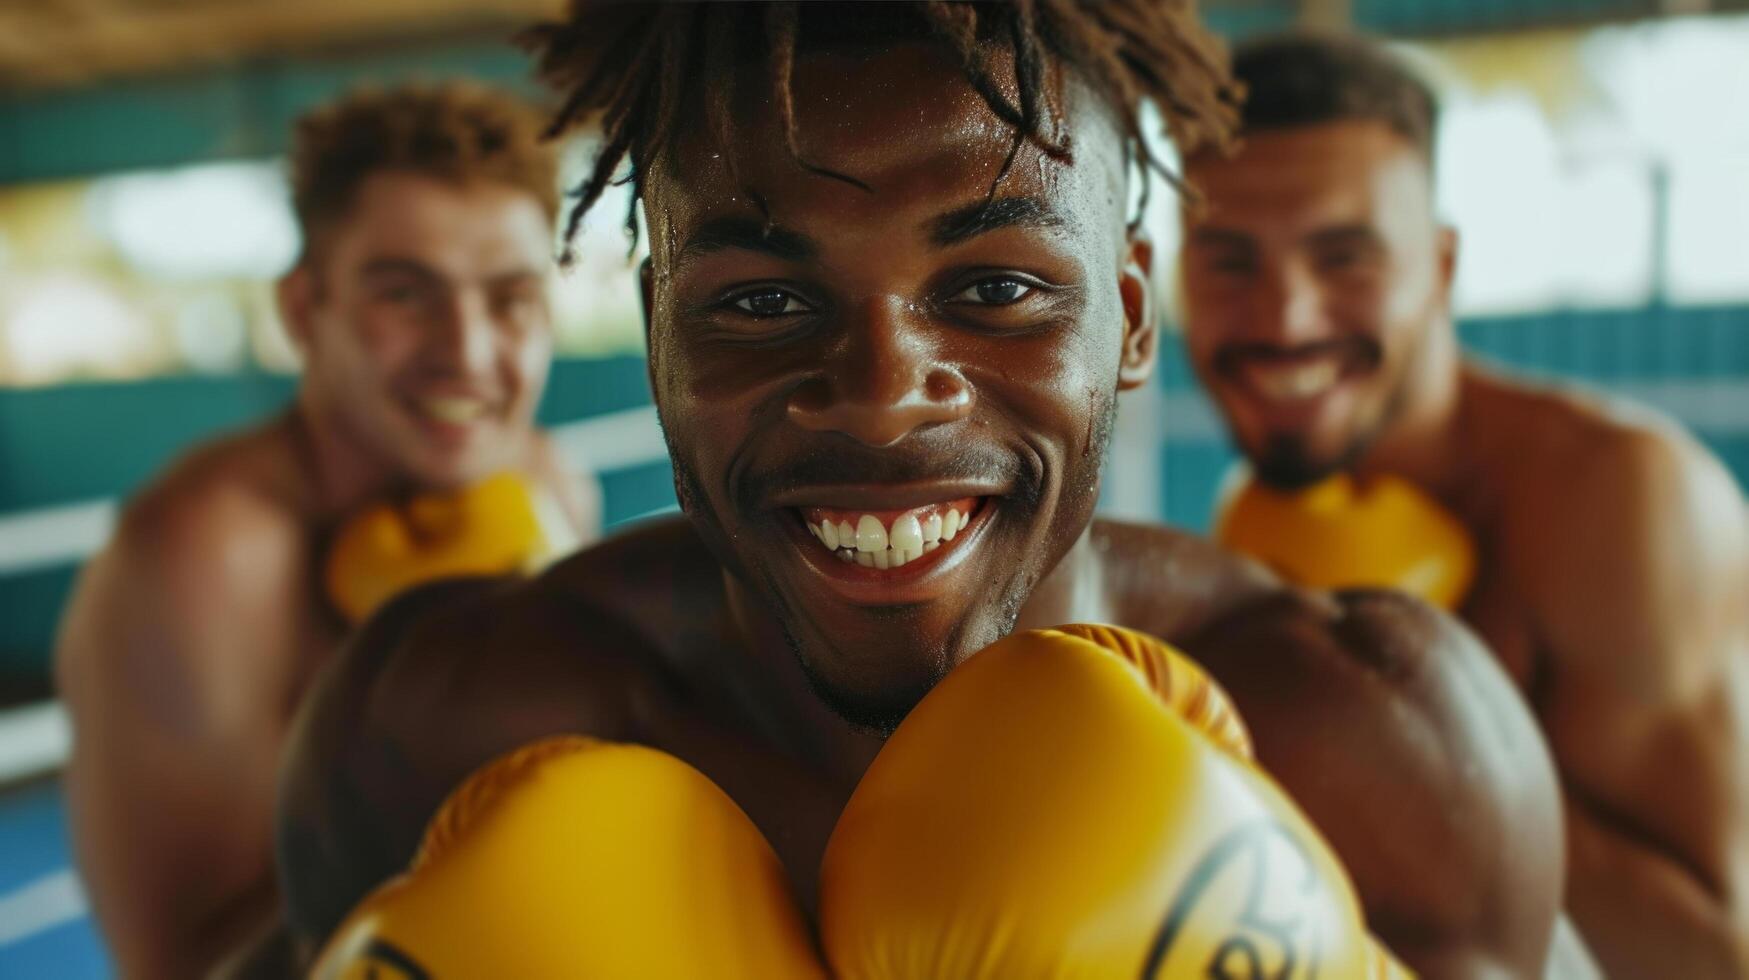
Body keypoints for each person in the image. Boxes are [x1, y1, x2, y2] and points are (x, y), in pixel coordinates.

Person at [278, 5, 1566, 976]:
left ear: (1124, 317)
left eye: (996, 287)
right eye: (762, 303)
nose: (884, 391)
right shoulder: (431, 722)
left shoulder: (1378, 744)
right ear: (659, 325)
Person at [1177, 32, 1749, 978]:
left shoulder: (1619, 498)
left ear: (1440, 268)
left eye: (1344, 257)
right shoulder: (1261, 503)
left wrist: (1410, 727)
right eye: (1229, 262)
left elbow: (1715, 951)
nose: (1284, 318)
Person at [55, 82, 598, 979]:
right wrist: (435, 739)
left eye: (509, 299)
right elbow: (185, 965)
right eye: (405, 295)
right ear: (305, 311)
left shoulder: (549, 485)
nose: (465, 351)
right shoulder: (209, 553)